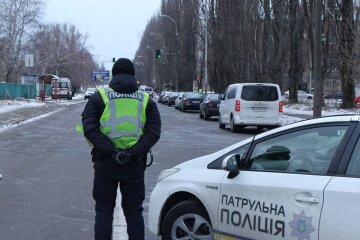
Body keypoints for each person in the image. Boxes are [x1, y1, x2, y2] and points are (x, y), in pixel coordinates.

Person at [81, 58, 161, 240]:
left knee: (104, 212)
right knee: (134, 213)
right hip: (133, 165)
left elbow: (89, 127)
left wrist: (111, 151)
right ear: (133, 75)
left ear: (114, 74)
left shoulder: (100, 96)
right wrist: (133, 152)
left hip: (106, 163)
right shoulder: (146, 99)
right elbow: (153, 132)